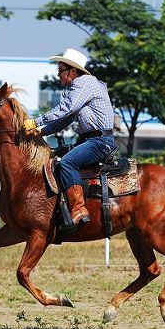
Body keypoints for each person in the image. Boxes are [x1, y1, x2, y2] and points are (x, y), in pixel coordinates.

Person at [24, 48, 118, 226]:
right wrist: (42, 132)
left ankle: (79, 209)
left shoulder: (83, 83)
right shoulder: (82, 86)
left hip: (99, 142)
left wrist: (35, 122)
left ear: (73, 71)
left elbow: (66, 109)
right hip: (91, 140)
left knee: (67, 163)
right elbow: (65, 119)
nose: (58, 75)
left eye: (60, 70)